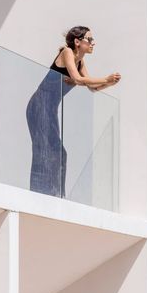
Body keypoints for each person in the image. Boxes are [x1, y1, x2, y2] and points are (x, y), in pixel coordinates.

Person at [26, 26, 121, 197]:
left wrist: (109, 83)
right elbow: (78, 79)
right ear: (78, 42)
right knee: (44, 150)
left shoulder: (80, 61)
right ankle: (39, 195)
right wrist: (105, 78)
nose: (93, 43)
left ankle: (56, 195)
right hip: (39, 105)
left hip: (50, 108)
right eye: (89, 40)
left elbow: (91, 87)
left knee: (59, 152)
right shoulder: (67, 52)